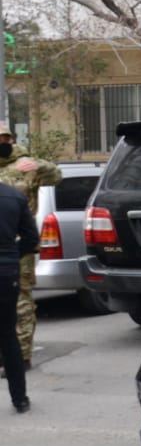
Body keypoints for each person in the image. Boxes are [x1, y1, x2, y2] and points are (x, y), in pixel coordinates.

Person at [0, 124, 62, 374]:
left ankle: (22, 355)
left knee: (21, 303)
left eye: (4, 138)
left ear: (11, 140)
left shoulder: (26, 165)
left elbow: (56, 175)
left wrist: (39, 165)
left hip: (18, 245)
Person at [0, 178, 38, 412]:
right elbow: (32, 238)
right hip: (6, 273)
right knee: (8, 334)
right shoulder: (14, 196)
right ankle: (20, 399)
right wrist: (12, 256)